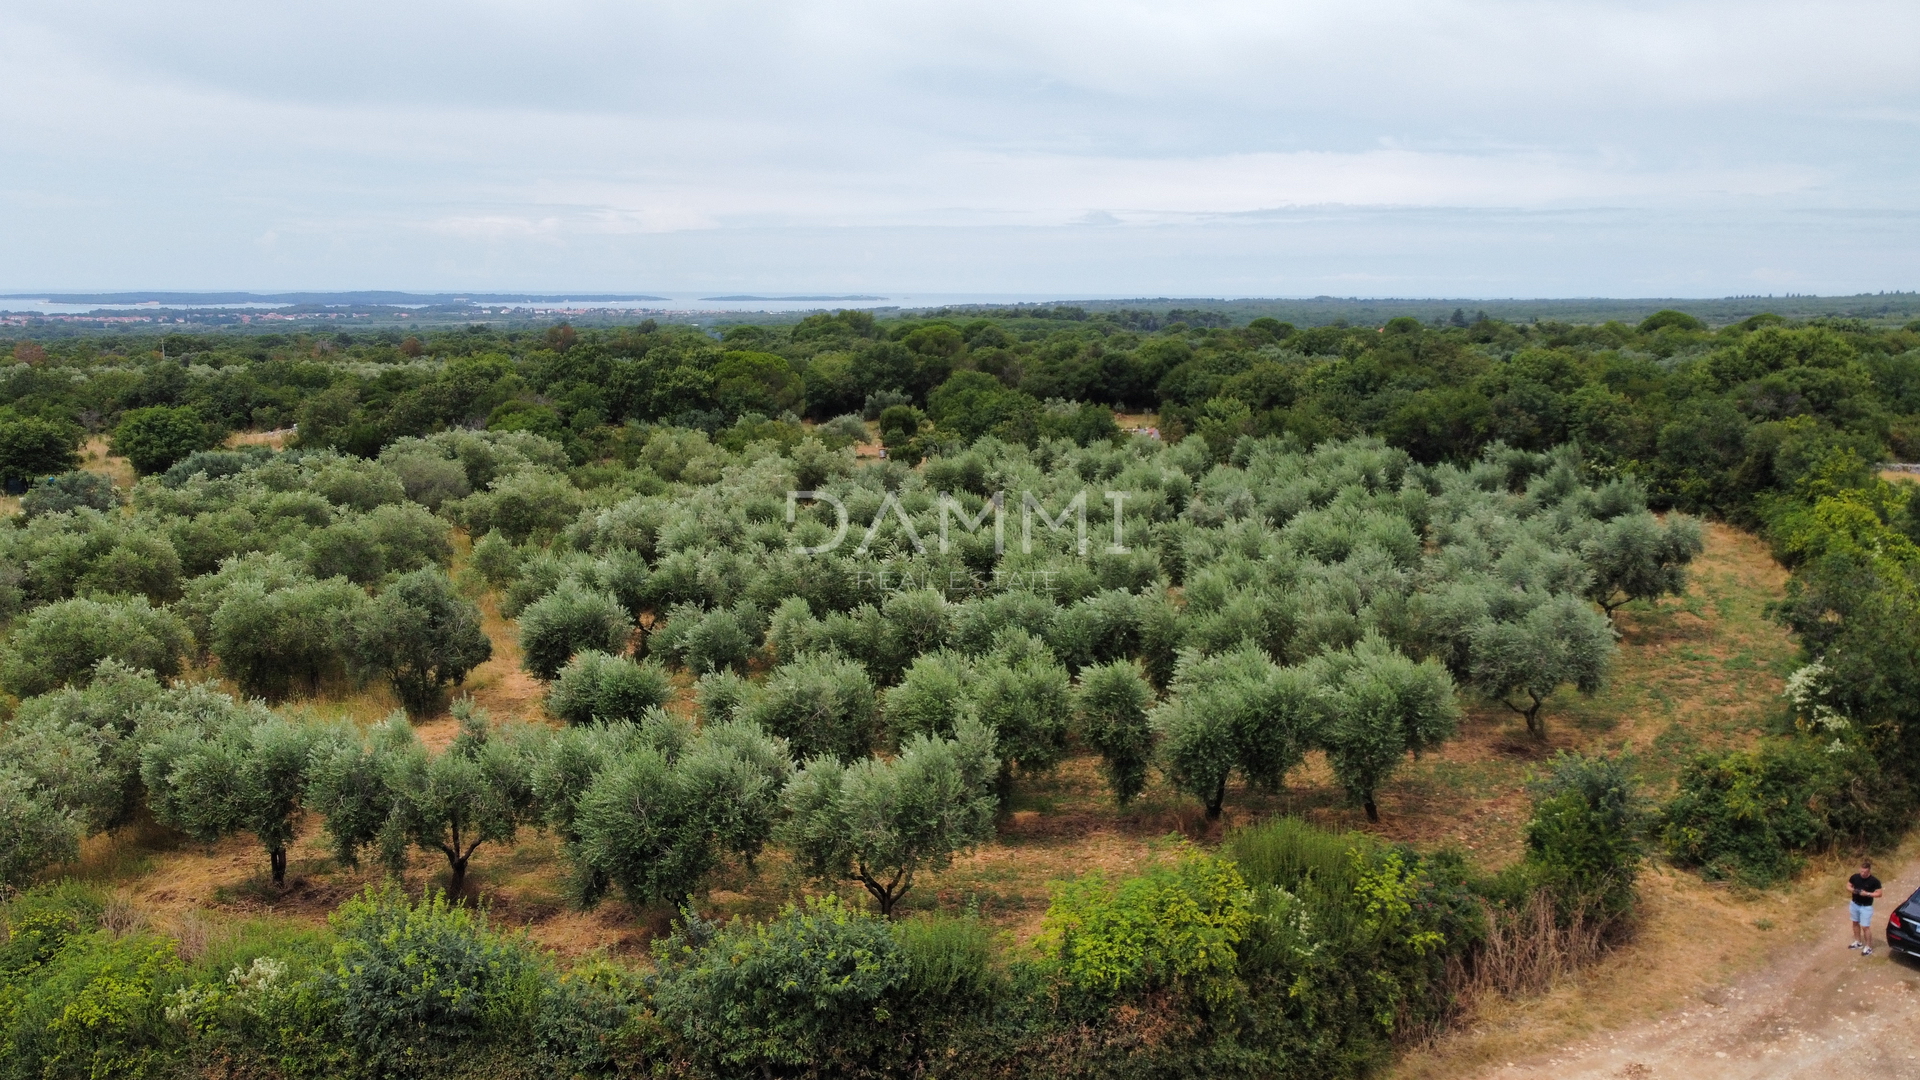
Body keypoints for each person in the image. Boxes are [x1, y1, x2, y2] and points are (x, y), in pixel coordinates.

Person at [1848, 858, 1883, 956]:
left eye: (1865, 872)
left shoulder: (1874, 881)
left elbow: (1879, 894)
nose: (1863, 873)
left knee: (1865, 926)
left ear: (1869, 871)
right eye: (1861, 871)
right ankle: (1858, 942)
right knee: (1855, 922)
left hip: (1866, 907)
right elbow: (1848, 885)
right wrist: (1853, 890)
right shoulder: (1855, 877)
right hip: (1855, 903)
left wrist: (1867, 894)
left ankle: (1868, 947)